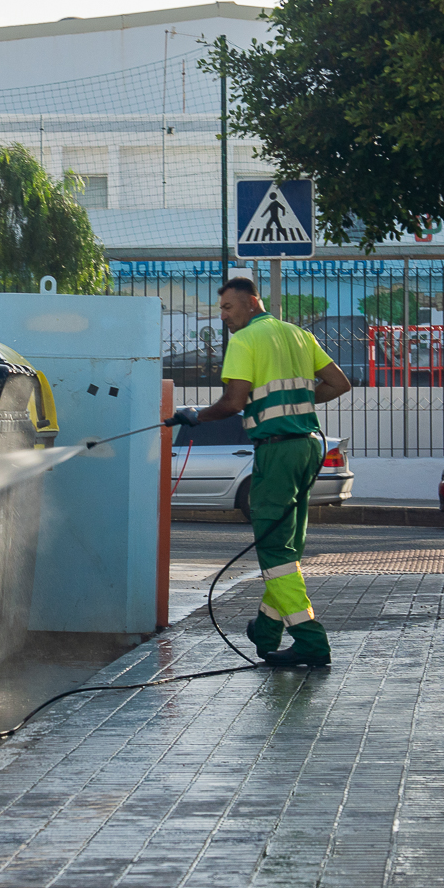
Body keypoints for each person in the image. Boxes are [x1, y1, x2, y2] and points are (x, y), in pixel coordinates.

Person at [167, 276, 352, 667]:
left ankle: (311, 642)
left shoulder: (246, 341)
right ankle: (266, 631)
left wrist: (195, 416)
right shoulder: (299, 335)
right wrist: (298, 401)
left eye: (229, 308)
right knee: (285, 548)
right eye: (220, 310)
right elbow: (339, 383)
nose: (224, 316)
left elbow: (233, 403)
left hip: (276, 451)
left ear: (252, 303)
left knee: (274, 552)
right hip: (306, 449)